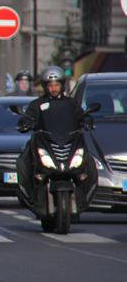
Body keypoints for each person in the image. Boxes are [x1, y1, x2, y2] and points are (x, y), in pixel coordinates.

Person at [15, 66, 94, 209]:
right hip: (44, 143)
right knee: (23, 161)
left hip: (69, 143)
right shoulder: (37, 104)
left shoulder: (71, 103)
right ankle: (28, 194)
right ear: (45, 87)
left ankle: (85, 197)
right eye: (50, 85)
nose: (53, 88)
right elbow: (26, 118)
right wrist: (25, 123)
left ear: (62, 85)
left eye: (56, 85)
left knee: (90, 163)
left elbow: (82, 115)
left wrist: (87, 121)